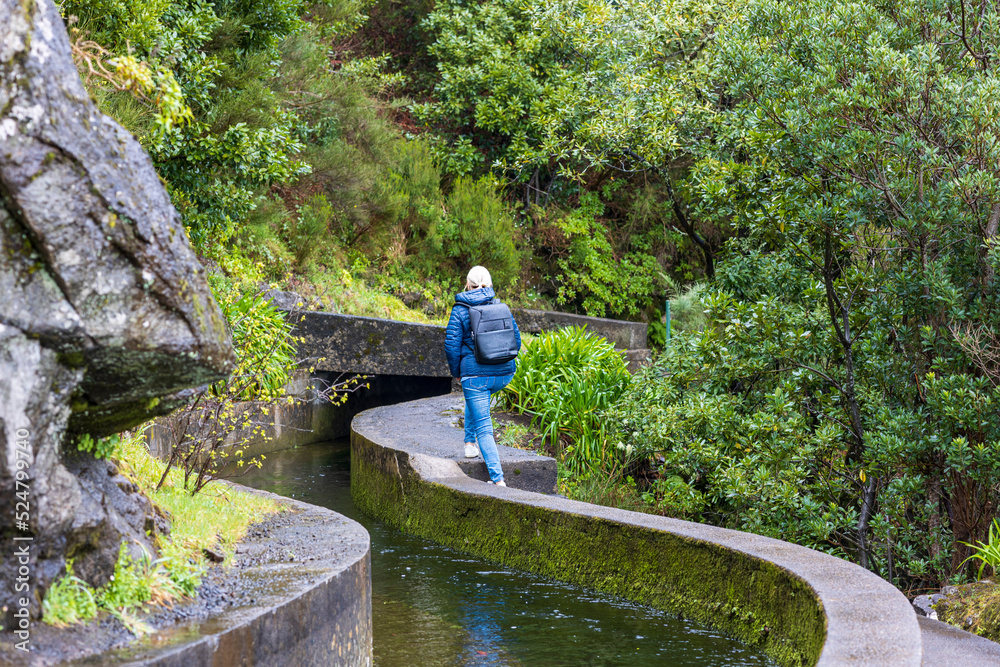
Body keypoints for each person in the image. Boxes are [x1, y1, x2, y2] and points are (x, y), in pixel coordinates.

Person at [444, 265, 521, 487]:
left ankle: (499, 481)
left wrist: (457, 373)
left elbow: (451, 347)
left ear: (467, 284)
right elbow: (516, 340)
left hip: (475, 376)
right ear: (489, 284)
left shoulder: (460, 310)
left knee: (484, 427)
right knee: (474, 399)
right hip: (505, 374)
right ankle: (469, 444)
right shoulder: (501, 307)